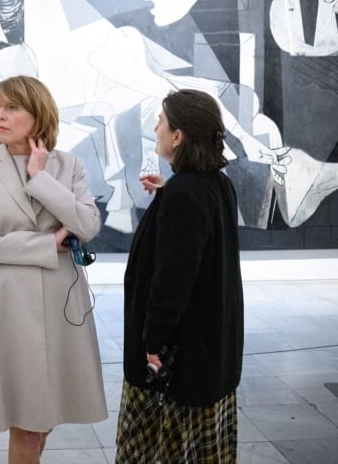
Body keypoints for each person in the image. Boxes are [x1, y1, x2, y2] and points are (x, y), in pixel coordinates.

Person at [0, 75, 107, 464]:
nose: (0, 116)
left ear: (37, 113)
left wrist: (40, 178)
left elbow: (88, 225)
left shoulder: (66, 164)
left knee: (49, 415)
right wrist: (47, 243)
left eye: (11, 107)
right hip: (10, 304)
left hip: (64, 302)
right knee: (25, 420)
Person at [116, 88, 244, 464]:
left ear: (178, 136)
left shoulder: (184, 196)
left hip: (180, 362)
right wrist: (169, 194)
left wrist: (153, 344)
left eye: (161, 121)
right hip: (211, 353)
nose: (155, 127)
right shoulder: (215, 184)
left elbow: (171, 284)